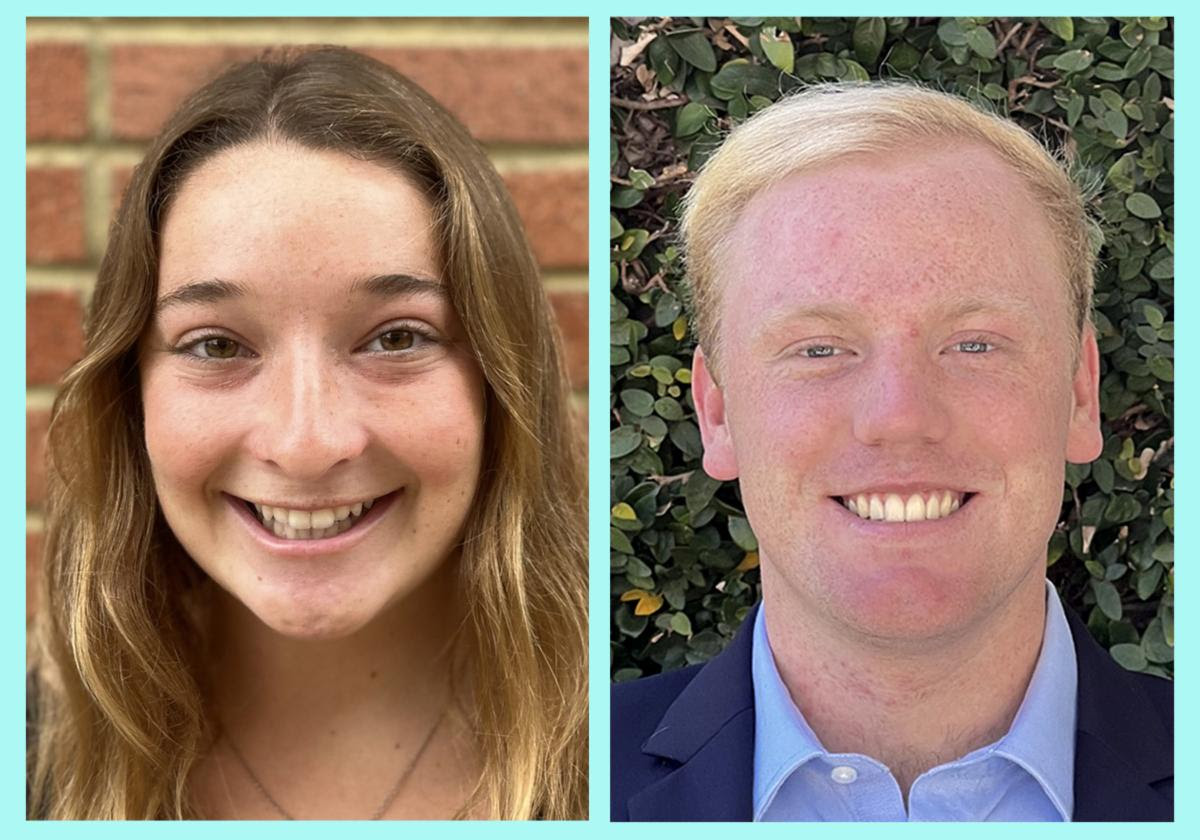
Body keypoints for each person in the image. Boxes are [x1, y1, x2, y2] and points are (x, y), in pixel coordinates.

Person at [29, 46, 587, 820]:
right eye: (217, 345)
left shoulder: (625, 741)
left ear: (499, 380)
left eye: (396, 339)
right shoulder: (28, 757)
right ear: (131, 395)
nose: (306, 442)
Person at [611, 82, 1172, 822]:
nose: (900, 418)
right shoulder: (531, 788)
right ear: (716, 413)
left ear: (1078, 393)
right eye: (818, 349)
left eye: (975, 343)